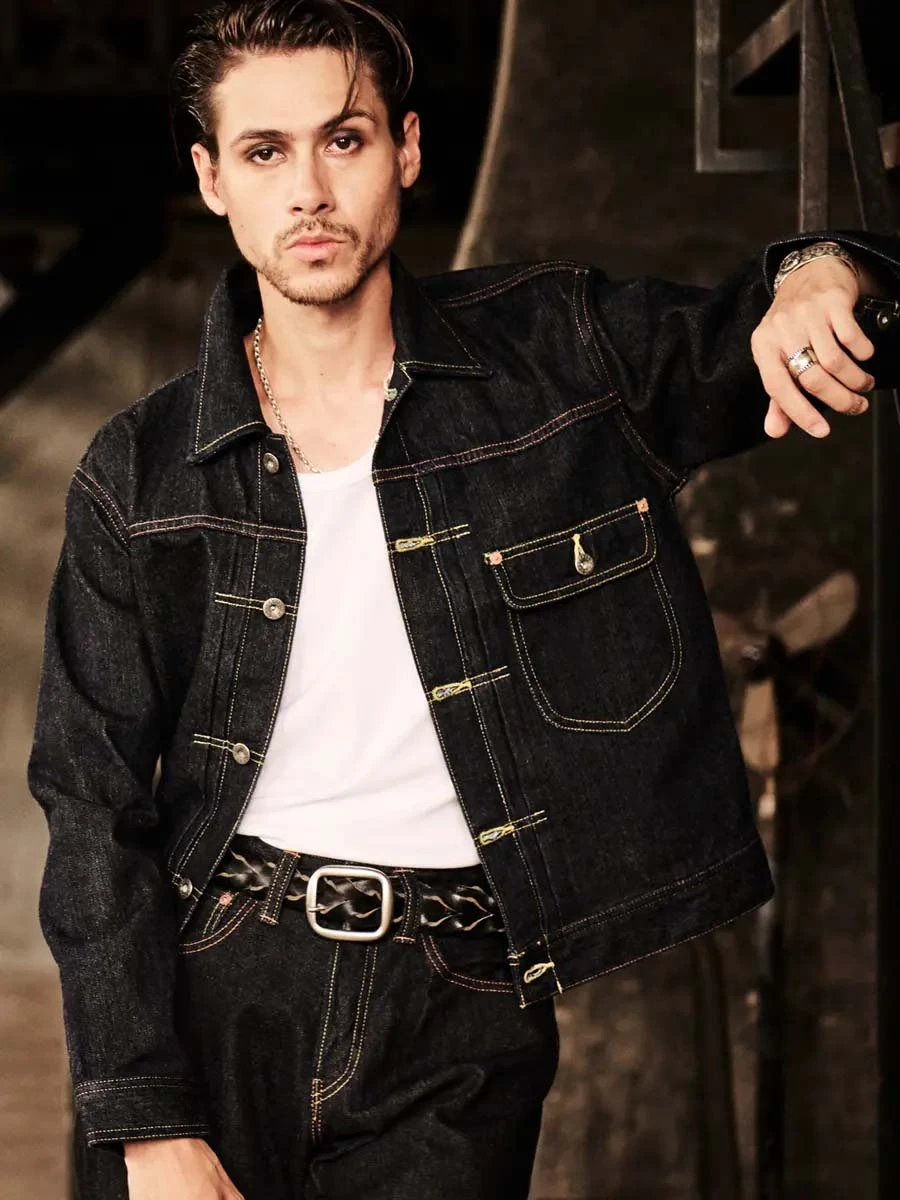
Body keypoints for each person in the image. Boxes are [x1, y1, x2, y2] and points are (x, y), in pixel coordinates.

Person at [26, 1, 900, 1197]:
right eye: (265, 151)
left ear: (408, 149)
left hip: (462, 1002)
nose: (309, 191)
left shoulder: (556, 356)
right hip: (215, 980)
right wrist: (143, 1117)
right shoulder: (140, 469)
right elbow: (92, 802)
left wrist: (821, 270)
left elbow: (778, 326)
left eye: (344, 139)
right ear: (213, 179)